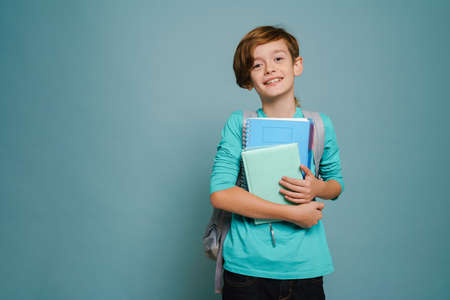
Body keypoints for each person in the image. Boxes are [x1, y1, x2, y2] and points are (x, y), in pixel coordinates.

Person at [209, 26, 344, 300]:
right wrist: (293, 214)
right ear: (248, 80)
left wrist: (316, 188)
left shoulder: (320, 125)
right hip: (247, 269)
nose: (269, 68)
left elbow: (336, 185)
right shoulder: (239, 123)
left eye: (278, 59)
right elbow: (221, 193)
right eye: (257, 65)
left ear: (298, 65)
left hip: (305, 267)